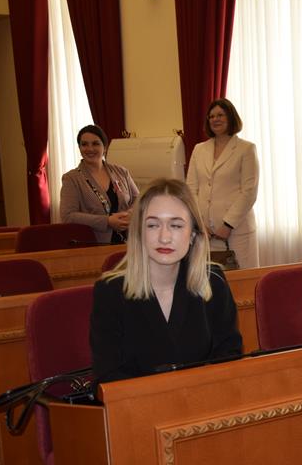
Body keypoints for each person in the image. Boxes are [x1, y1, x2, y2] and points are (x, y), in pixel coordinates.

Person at [90, 178, 242, 384]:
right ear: (139, 232)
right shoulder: (110, 292)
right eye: (153, 225)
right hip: (137, 403)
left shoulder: (213, 281)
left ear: (193, 234)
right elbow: (108, 376)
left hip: (202, 399)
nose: (164, 237)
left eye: (176, 225)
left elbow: (228, 358)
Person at [186, 98, 260, 268]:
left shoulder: (246, 149)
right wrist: (199, 222)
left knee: (241, 280)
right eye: (211, 116)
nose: (215, 119)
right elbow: (191, 189)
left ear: (231, 117)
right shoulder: (199, 149)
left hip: (237, 232)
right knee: (209, 279)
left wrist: (228, 225)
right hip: (205, 233)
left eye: (220, 115)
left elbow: (249, 191)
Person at [59, 124, 138, 244]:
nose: (90, 149)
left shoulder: (121, 172)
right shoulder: (71, 179)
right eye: (84, 144)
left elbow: (139, 199)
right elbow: (68, 216)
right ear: (79, 148)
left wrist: (130, 214)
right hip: (95, 244)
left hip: (130, 242)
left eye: (95, 143)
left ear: (105, 147)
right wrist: (107, 221)